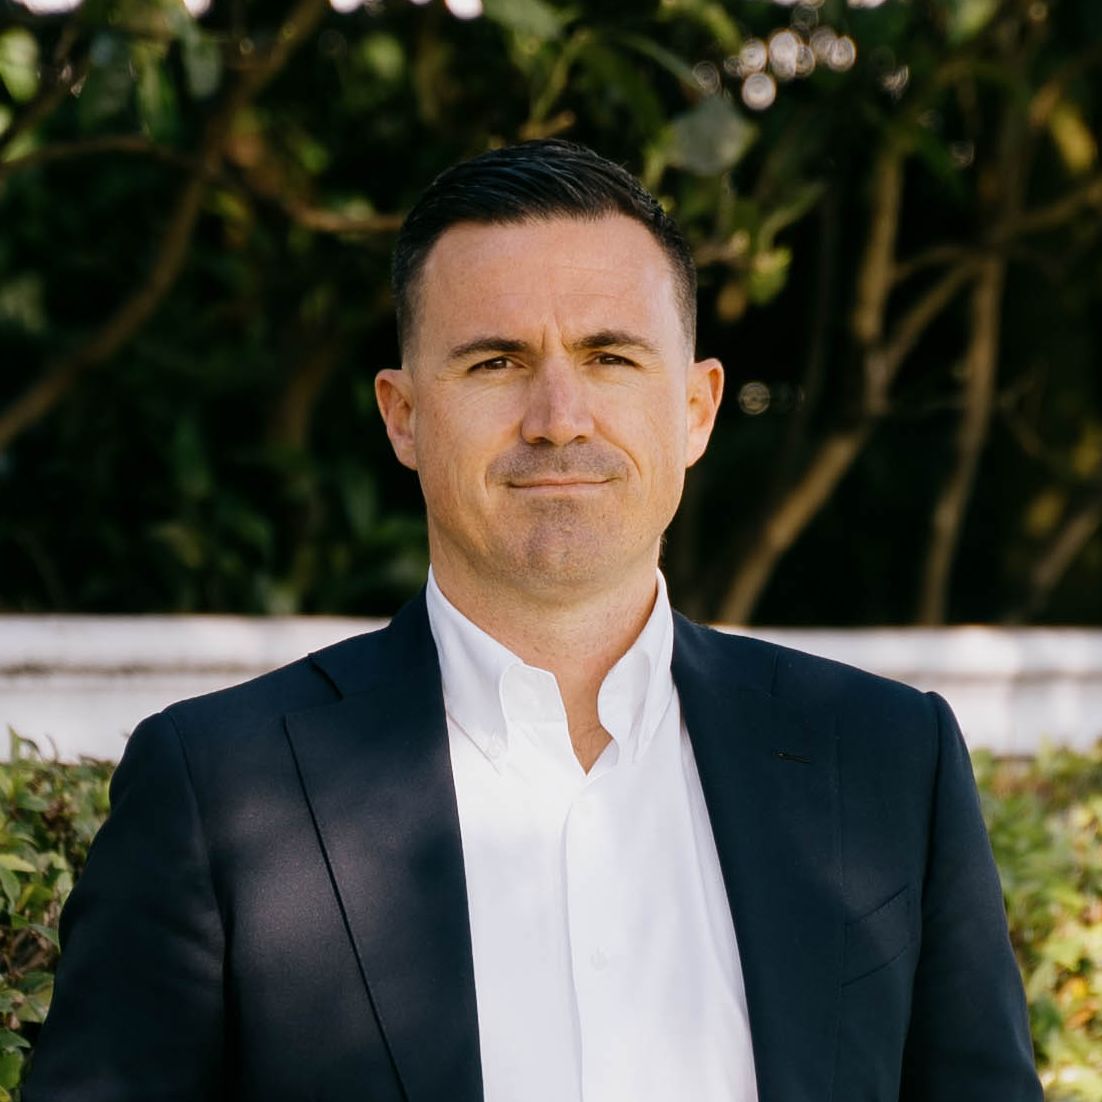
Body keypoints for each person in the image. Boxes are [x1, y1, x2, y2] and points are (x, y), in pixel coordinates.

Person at [25, 140, 1041, 1102]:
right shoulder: (217, 793)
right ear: (403, 416)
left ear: (695, 409)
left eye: (610, 357)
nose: (559, 417)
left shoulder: (887, 763)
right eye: (496, 362)